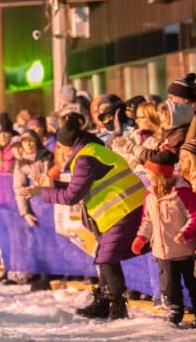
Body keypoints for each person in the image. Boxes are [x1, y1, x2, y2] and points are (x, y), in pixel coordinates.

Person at [21, 110, 144, 320]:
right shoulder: (93, 150)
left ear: (68, 145)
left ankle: (116, 306)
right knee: (104, 256)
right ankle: (105, 301)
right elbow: (81, 186)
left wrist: (44, 192)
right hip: (126, 207)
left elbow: (71, 196)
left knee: (107, 257)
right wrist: (50, 186)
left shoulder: (85, 159)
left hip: (123, 209)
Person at [130, 160, 196, 327]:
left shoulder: (183, 193)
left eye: (150, 174)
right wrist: (141, 237)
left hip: (185, 250)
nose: (148, 177)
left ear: (160, 176)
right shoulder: (149, 194)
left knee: (195, 285)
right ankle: (173, 311)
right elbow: (148, 220)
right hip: (162, 252)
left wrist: (185, 233)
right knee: (169, 286)